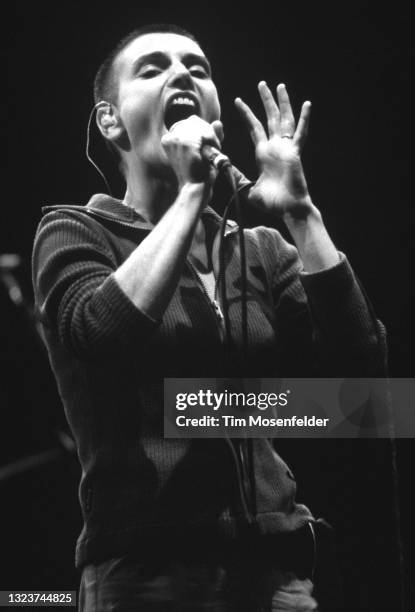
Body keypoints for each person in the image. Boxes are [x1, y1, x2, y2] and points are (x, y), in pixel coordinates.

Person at [32, 23, 386, 611]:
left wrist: (302, 214)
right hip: (149, 574)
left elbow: (364, 389)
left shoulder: (262, 249)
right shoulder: (75, 230)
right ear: (109, 121)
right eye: (152, 68)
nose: (182, 75)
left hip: (280, 579)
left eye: (197, 67)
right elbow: (99, 333)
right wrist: (193, 193)